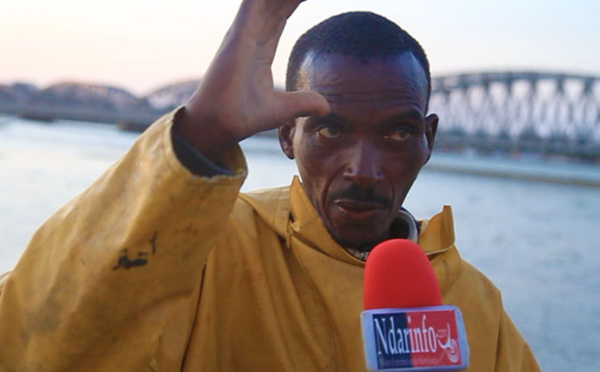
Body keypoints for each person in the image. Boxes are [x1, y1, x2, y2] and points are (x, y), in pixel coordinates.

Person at [0, 0, 540, 370]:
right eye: (330, 128)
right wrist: (197, 141)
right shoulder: (201, 248)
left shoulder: (474, 303)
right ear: (287, 136)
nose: (365, 169)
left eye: (397, 133)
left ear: (429, 139)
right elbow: (29, 341)